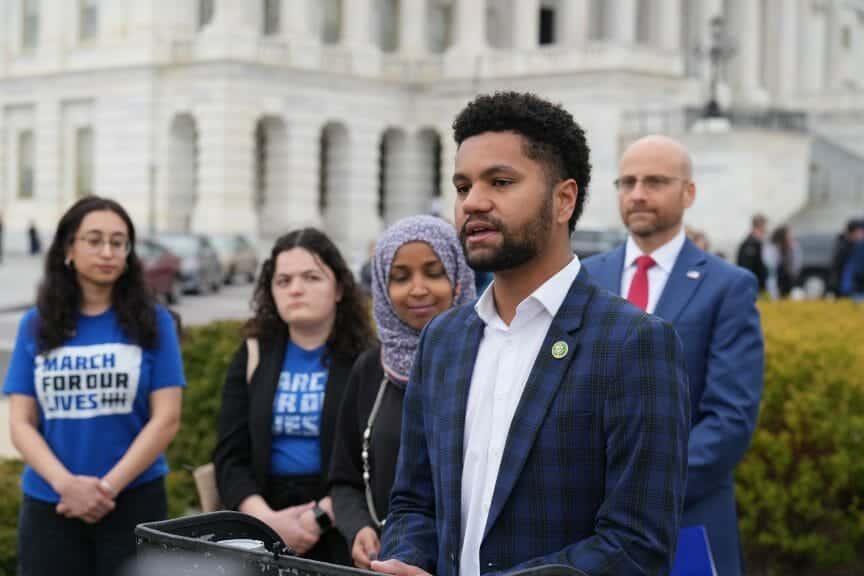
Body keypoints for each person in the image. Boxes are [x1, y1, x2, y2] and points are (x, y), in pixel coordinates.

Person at [372, 92, 691, 576]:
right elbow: (414, 502)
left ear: (564, 199)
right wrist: (407, 561)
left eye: (500, 182)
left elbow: (636, 546)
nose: (473, 202)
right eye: (463, 187)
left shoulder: (634, 344)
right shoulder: (443, 339)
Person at [583, 135, 764, 576]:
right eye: (627, 182)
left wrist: (641, 492)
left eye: (655, 181)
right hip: (587, 526)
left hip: (687, 519)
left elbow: (729, 418)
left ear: (689, 193)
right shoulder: (584, 277)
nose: (638, 194)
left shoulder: (727, 286)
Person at [3, 196, 185, 576]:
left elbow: (166, 418)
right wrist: (66, 484)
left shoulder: (156, 322)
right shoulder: (36, 325)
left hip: (134, 501)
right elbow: (21, 421)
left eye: (118, 242)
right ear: (69, 248)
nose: (108, 252)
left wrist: (106, 488)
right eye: (95, 239)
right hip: (51, 503)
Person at [213, 228, 374, 564]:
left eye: (311, 277)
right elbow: (230, 455)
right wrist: (267, 522)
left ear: (340, 288)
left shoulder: (367, 360)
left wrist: (317, 518)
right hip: (261, 525)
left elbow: (374, 460)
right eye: (283, 281)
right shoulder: (252, 353)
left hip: (342, 528)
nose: (296, 289)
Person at [329, 215, 475, 569]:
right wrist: (358, 526)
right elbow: (344, 478)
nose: (418, 289)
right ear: (381, 285)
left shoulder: (486, 360)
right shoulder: (371, 369)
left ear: (458, 278)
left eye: (434, 272)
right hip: (386, 561)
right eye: (401, 277)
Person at [764, 226, 802, 299]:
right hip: (776, 277)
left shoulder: (793, 246)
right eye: (788, 236)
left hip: (789, 277)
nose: (791, 237)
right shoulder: (771, 247)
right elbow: (771, 268)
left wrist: (793, 248)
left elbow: (797, 263)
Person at [736, 214, 767, 292]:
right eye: (763, 228)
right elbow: (747, 269)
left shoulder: (756, 244)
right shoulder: (750, 245)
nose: (765, 230)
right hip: (751, 288)